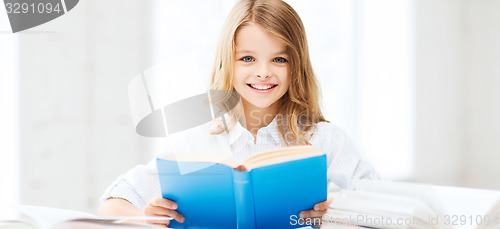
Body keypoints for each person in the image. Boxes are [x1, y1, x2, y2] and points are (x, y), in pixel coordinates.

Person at [98, 0, 379, 227]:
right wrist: (147, 220)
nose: (263, 72)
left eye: (279, 59)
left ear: (298, 66)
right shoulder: (196, 142)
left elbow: (386, 212)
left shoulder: (326, 141)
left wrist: (341, 218)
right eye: (247, 58)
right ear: (227, 63)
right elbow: (111, 206)